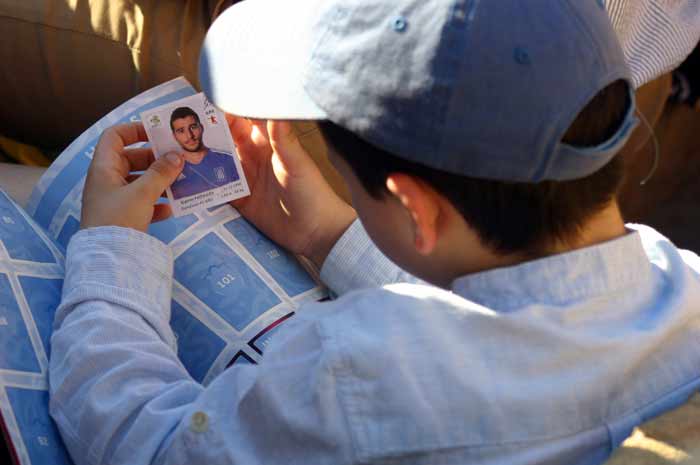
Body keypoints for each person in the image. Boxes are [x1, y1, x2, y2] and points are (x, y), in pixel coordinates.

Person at [47, 1, 700, 464]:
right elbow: (515, 338)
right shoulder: (687, 290)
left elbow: (150, 444)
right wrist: (330, 232)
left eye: (346, 178)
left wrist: (113, 248)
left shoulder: (349, 374)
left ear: (413, 206)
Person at [167, 106, 239, 199]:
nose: (189, 136)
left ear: (201, 128)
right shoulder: (171, 174)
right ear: (174, 136)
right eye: (181, 131)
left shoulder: (230, 159)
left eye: (193, 127)